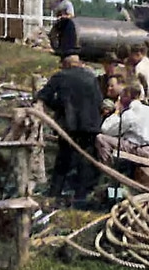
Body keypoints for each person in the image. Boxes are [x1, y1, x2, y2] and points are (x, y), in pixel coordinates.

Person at [36, 54, 103, 202]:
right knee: (85, 161)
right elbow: (99, 101)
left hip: (69, 126)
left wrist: (57, 106)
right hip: (90, 126)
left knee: (63, 160)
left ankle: (55, 192)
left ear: (65, 64)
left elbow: (44, 96)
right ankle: (81, 196)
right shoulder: (91, 78)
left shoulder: (61, 76)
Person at [95, 84, 149, 165]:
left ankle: (107, 167)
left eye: (121, 97)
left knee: (100, 138)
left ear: (127, 96)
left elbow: (106, 130)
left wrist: (117, 111)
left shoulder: (131, 113)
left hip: (139, 151)